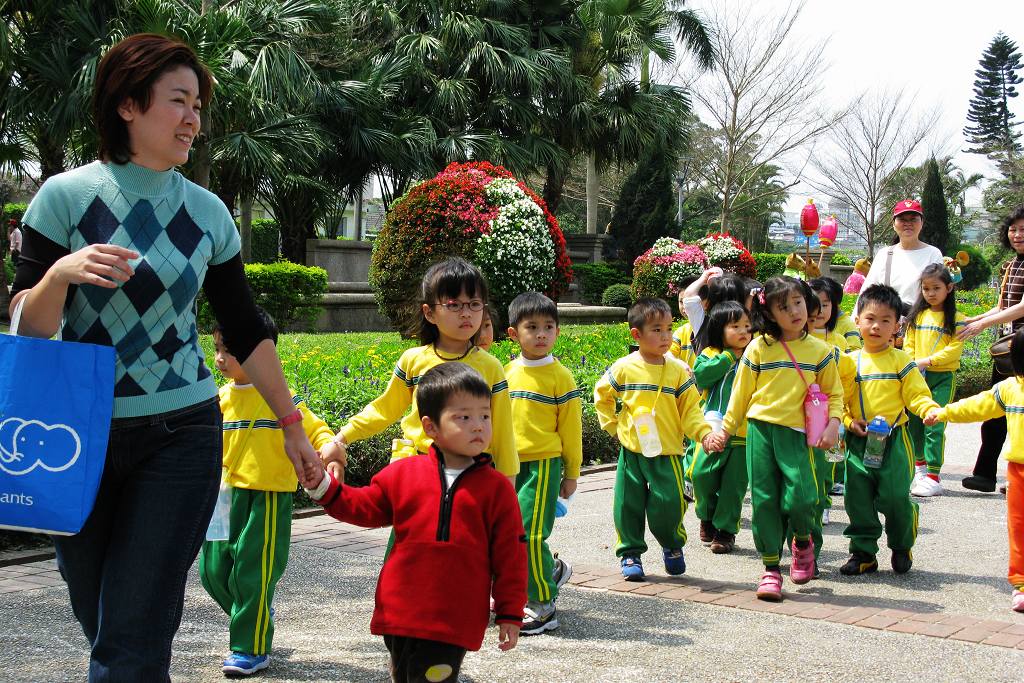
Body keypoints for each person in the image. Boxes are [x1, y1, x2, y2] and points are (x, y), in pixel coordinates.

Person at [7, 34, 320, 680]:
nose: (193, 120)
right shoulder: (63, 200)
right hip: (77, 438)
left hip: (181, 435)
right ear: (127, 104)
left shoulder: (207, 215)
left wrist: (292, 424)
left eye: (198, 106)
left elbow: (246, 327)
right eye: (178, 102)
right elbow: (24, 328)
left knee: (132, 635)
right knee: (105, 615)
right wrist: (60, 275)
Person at [304, 362, 527, 681]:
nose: (478, 426)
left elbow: (511, 556)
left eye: (485, 415)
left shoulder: (497, 490)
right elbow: (362, 507)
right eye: (464, 417)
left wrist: (510, 611)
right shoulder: (404, 475)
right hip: (401, 611)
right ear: (430, 426)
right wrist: (323, 487)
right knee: (407, 675)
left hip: (453, 619)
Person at [198, 309, 337, 677]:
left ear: (264, 353)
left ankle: (251, 647)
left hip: (267, 496)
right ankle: (257, 613)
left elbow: (315, 430)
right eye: (217, 349)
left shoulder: (278, 398)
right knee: (211, 573)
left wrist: (330, 451)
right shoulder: (219, 399)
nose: (220, 358)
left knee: (253, 574)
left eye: (229, 350)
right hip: (224, 497)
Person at [708, 277, 844, 602]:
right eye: (784, 307)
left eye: (798, 302)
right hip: (760, 431)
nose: (794, 311)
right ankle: (770, 568)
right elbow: (740, 396)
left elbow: (834, 394)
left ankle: (801, 541)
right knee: (764, 500)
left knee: (802, 498)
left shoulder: (820, 351)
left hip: (800, 435)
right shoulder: (758, 348)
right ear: (769, 313)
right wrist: (725, 430)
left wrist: (834, 424)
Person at [322, 257, 517, 479]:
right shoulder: (412, 361)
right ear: (429, 313)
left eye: (474, 304)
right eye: (454, 305)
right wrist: (341, 438)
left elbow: (503, 432)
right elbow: (384, 409)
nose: (466, 313)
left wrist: (508, 486)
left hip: (472, 475)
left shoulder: (490, 367)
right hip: (417, 470)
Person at [594, 298, 718, 581]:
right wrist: (614, 427)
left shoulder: (676, 371)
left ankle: (672, 544)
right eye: (657, 330)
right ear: (636, 334)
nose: (666, 336)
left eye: (669, 329)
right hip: (632, 452)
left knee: (669, 503)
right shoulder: (623, 368)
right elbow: (601, 395)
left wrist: (704, 434)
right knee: (628, 504)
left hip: (667, 451)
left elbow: (691, 411)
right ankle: (630, 553)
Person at [839, 285, 940, 577]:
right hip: (860, 441)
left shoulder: (901, 361)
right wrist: (848, 422)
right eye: (870, 318)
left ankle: (901, 544)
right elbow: (840, 402)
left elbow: (917, 395)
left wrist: (928, 409)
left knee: (895, 497)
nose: (876, 326)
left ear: (897, 326)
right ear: (857, 321)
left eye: (886, 320)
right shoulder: (850, 362)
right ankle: (863, 552)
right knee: (856, 498)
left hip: (894, 441)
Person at [925, 327, 1024, 613]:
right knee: (1018, 528)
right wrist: (943, 412)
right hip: (1018, 471)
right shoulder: (1010, 390)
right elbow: (977, 406)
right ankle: (1021, 584)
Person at [503, 292, 582, 634]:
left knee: (530, 535)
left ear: (558, 332)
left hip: (544, 465)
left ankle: (542, 604)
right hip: (509, 465)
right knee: (509, 533)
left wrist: (572, 473)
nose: (541, 334)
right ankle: (548, 568)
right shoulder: (505, 373)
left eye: (549, 327)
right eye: (532, 327)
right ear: (513, 334)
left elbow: (571, 429)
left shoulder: (560, 377)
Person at [957, 206, 1024, 492]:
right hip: (1007, 350)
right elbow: (1003, 306)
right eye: (1013, 229)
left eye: (1023, 230)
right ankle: (984, 474)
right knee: (996, 406)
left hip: (1021, 347)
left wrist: (982, 326)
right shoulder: (1011, 265)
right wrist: (973, 319)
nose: (1017, 235)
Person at [689, 301, 753, 553]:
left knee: (733, 486)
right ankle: (706, 514)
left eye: (747, 326)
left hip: (743, 431)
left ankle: (726, 531)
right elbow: (701, 377)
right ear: (719, 328)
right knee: (701, 475)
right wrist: (728, 356)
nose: (743, 332)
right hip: (711, 429)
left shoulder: (755, 355)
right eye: (735, 326)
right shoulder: (710, 353)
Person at [903, 263, 966, 498]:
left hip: (942, 378)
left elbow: (954, 351)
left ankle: (933, 475)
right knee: (914, 424)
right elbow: (908, 344)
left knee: (934, 424)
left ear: (949, 288)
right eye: (926, 288)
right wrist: (911, 363)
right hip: (916, 378)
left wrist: (926, 361)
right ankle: (918, 469)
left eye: (936, 288)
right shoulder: (917, 316)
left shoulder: (958, 319)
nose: (930, 293)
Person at [809, 277, 858, 508]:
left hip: (831, 408)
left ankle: (823, 500)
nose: (819, 310)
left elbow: (848, 374)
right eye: (814, 303)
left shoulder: (839, 340)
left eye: (825, 304)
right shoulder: (796, 338)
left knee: (828, 458)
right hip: (803, 408)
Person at [857, 200, 944, 312]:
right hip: (888, 323)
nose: (908, 223)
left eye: (913, 219)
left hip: (921, 322)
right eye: (902, 219)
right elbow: (867, 292)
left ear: (922, 223)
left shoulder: (933, 253)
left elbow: (940, 293)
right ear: (893, 224)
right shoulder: (884, 254)